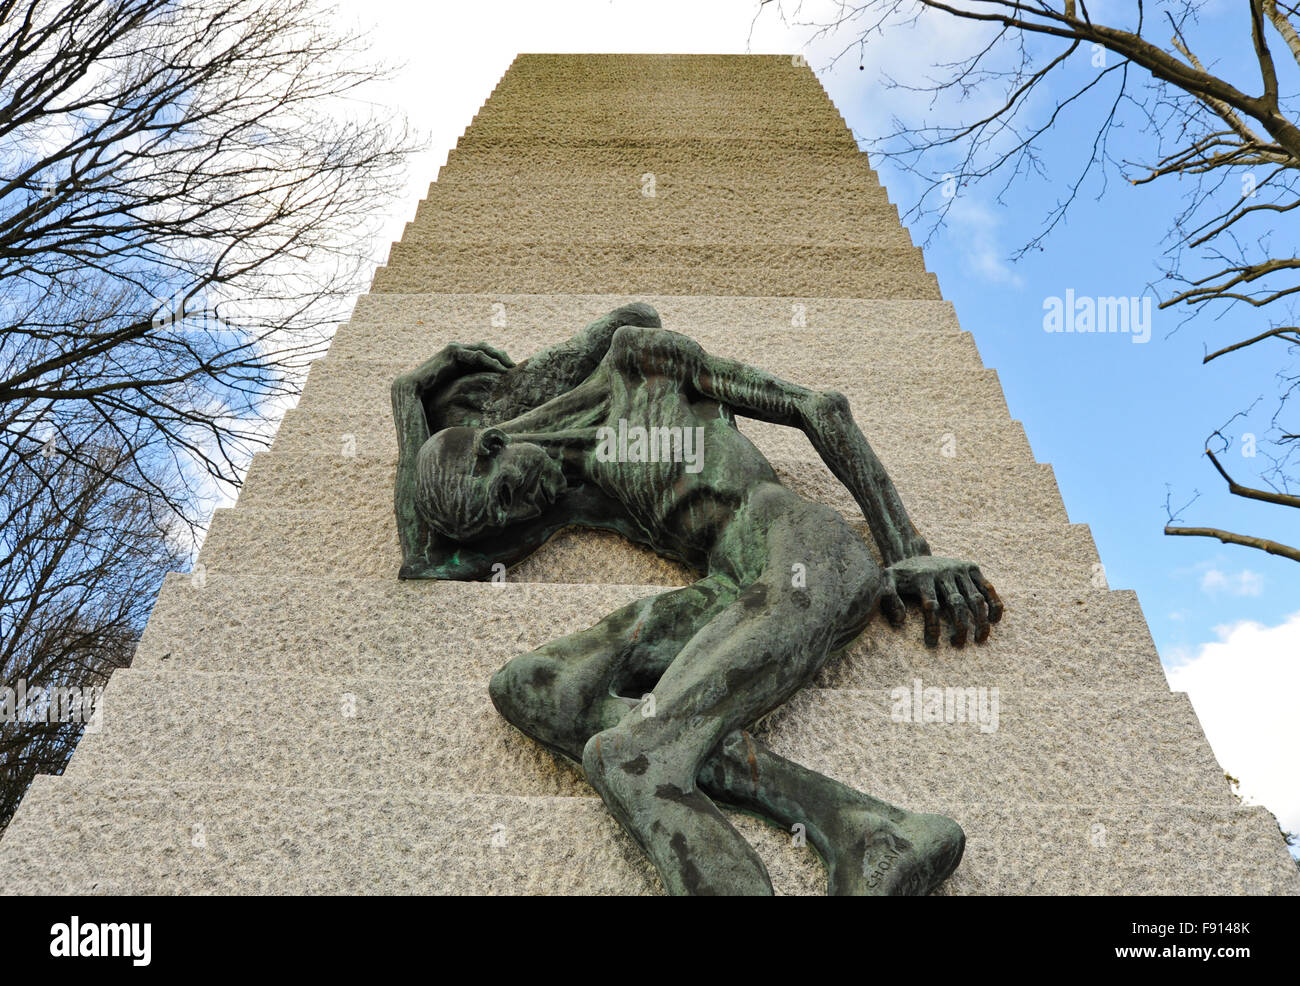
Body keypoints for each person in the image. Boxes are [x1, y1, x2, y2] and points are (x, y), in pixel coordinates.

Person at [391, 304, 1002, 895]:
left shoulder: (639, 362)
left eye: (503, 498)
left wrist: (905, 548)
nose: (518, 515)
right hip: (732, 589)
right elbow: (425, 560)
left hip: (803, 554)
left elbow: (819, 407)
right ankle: (866, 830)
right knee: (533, 686)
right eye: (500, 518)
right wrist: (407, 395)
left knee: (627, 759)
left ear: (494, 442)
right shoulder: (576, 490)